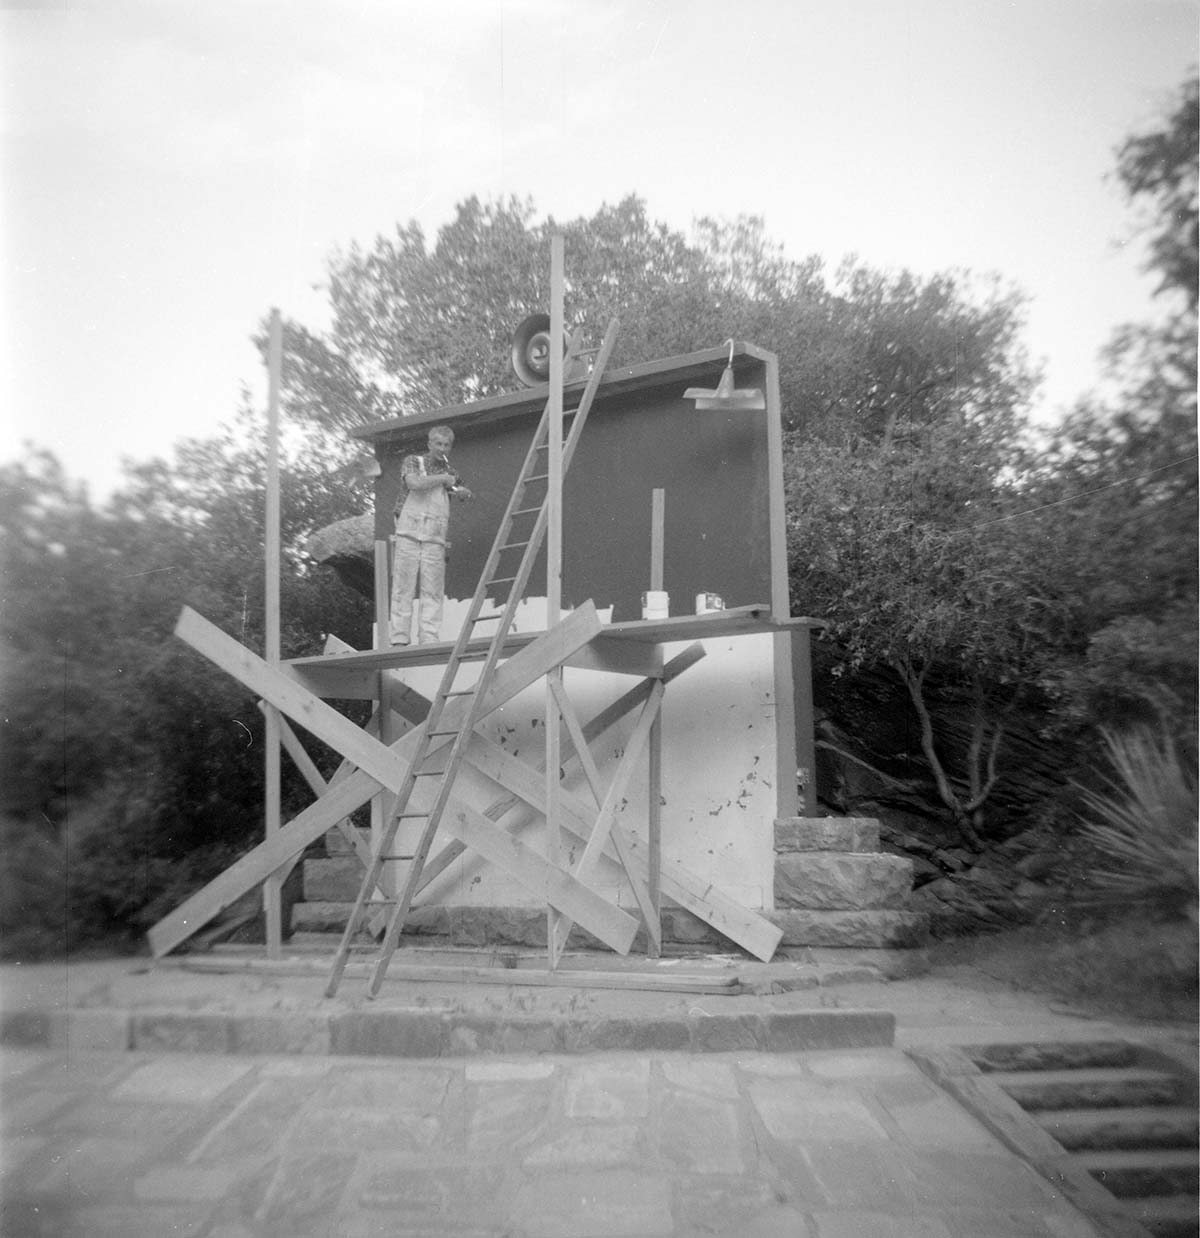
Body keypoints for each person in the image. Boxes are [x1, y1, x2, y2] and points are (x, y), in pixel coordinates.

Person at [390, 425, 472, 645]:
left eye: (446, 445)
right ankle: (399, 637)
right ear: (429, 444)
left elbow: (464, 493)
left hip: (435, 537)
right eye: (438, 443)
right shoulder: (413, 462)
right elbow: (414, 483)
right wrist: (444, 479)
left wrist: (462, 492)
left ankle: (429, 637)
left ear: (450, 447)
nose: (442, 448)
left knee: (433, 589)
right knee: (403, 586)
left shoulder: (451, 472)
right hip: (409, 532)